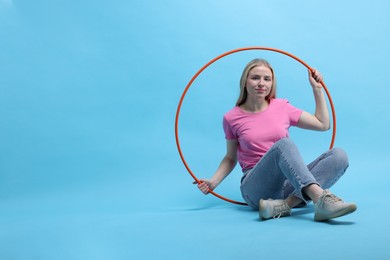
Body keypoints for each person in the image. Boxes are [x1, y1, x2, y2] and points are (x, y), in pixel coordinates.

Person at [195, 58, 357, 221]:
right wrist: (214, 182)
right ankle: (320, 200)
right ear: (245, 82)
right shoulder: (232, 118)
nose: (261, 83)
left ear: (272, 84)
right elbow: (230, 158)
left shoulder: (282, 107)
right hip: (256, 188)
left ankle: (284, 205)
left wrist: (317, 90)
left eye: (267, 79)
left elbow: (323, 124)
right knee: (283, 144)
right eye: (255, 77)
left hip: (289, 184)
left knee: (339, 156)